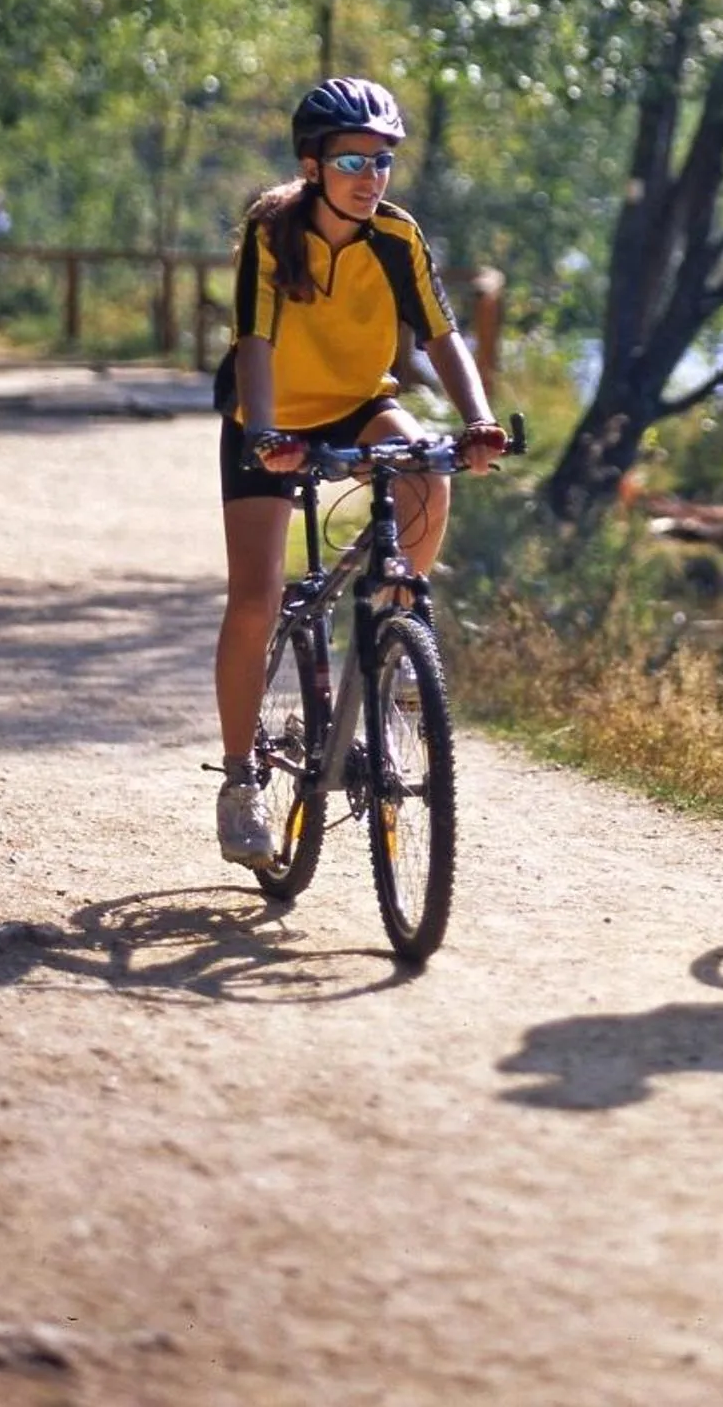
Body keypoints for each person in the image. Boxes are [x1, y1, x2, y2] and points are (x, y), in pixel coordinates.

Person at [212, 76, 506, 865]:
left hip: (356, 402)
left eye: (382, 161)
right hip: (266, 412)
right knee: (255, 597)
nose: (371, 176)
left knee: (426, 470)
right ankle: (240, 784)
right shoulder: (271, 237)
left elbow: (443, 338)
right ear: (313, 166)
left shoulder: (396, 237)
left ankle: (395, 631)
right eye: (353, 160)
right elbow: (255, 345)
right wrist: (269, 433)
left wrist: (476, 419)